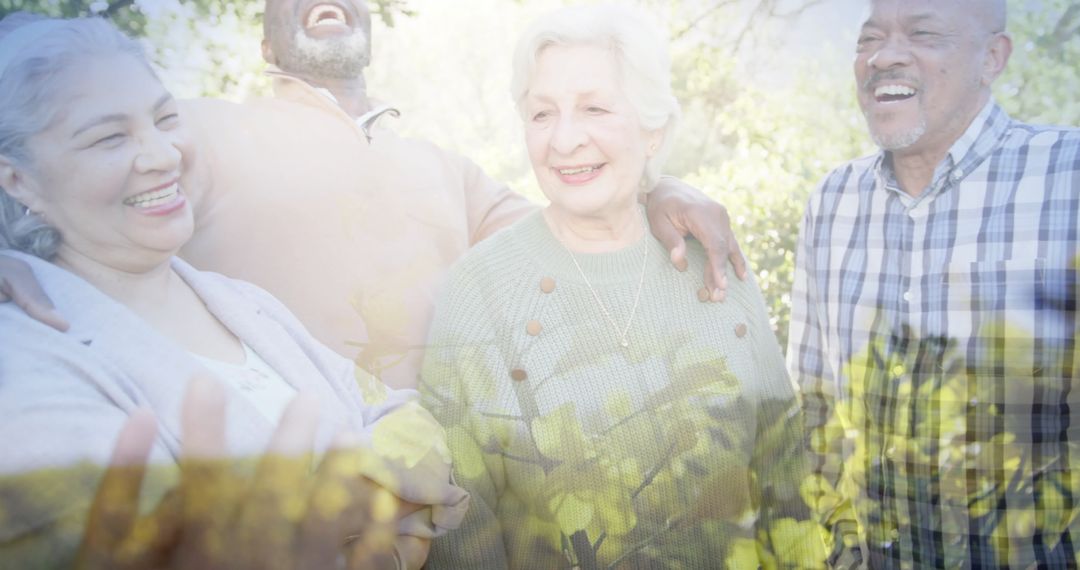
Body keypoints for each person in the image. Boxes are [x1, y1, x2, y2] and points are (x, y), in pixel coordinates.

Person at [0, 0, 749, 391]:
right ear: (267, 46)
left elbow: (577, 222)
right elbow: (62, 169)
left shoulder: (447, 168)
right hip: (298, 509)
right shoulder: (198, 129)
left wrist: (657, 183)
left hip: (459, 502)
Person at [0, 13, 466, 568]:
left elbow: (405, 419)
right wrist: (386, 502)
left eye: (165, 117)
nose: (162, 155)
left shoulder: (245, 304)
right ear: (19, 180)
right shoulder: (24, 363)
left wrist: (328, 509)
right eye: (108, 138)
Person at [419, 5, 823, 569]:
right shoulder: (478, 291)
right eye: (542, 114)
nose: (563, 140)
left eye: (594, 108)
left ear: (653, 129)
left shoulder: (714, 263)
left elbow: (784, 469)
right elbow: (461, 526)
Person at [788, 0, 1080, 567]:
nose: (884, 56)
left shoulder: (1068, 177)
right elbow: (814, 406)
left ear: (992, 57)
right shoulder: (832, 200)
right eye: (868, 38)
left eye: (923, 33)